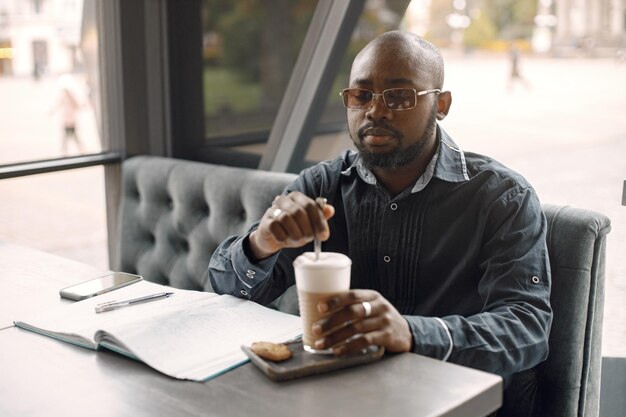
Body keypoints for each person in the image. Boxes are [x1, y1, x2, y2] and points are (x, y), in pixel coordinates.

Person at [209, 31, 551, 416]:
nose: (376, 111)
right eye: (362, 95)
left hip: (455, 402)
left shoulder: (501, 196)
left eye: (399, 96)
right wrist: (262, 242)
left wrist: (411, 333)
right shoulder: (321, 186)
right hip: (338, 398)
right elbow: (224, 288)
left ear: (441, 104)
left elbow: (527, 328)